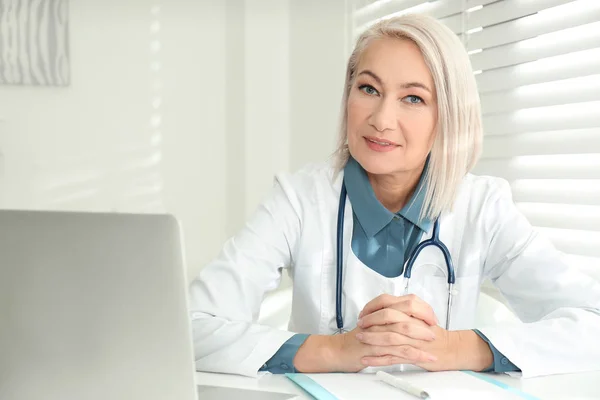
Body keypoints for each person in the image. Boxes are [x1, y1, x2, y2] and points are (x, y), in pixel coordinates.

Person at [188, 14, 600, 378]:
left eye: (413, 98)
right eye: (368, 89)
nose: (381, 119)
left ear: (449, 117)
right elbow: (188, 327)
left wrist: (449, 348)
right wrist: (334, 350)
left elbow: (593, 323)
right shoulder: (299, 200)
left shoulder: (483, 207)